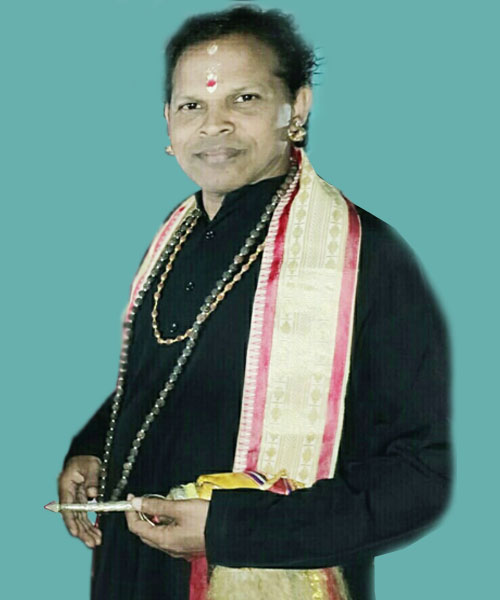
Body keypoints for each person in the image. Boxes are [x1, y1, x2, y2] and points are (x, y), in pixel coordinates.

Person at [57, 6, 451, 600]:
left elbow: (420, 477)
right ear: (167, 121)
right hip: (133, 573)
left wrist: (232, 529)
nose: (213, 126)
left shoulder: (365, 257)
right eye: (192, 106)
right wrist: (91, 446)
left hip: (266, 571)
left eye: (243, 99)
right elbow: (179, 378)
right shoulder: (177, 236)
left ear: (298, 107)